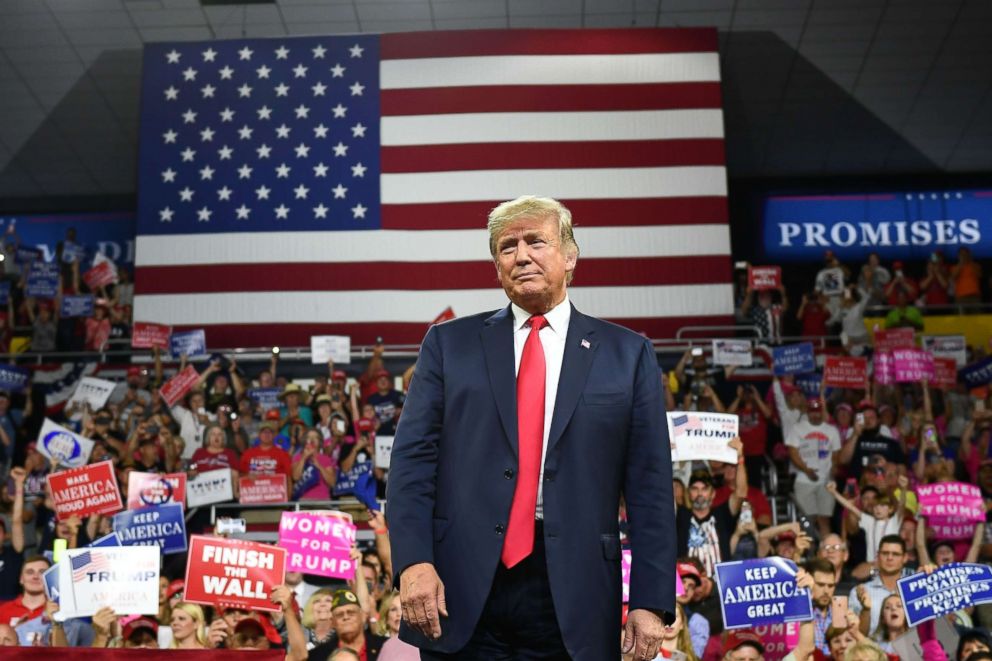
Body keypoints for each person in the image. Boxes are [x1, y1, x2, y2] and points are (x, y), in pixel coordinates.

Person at [386, 196, 675, 661]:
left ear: (570, 255)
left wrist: (650, 599)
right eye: (507, 247)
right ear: (496, 265)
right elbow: (411, 465)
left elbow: (651, 488)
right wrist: (413, 562)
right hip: (458, 589)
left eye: (536, 241)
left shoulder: (629, 354)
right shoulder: (448, 345)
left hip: (575, 592)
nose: (521, 255)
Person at [676, 441, 747, 576]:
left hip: (720, 586)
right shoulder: (680, 515)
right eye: (695, 489)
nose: (700, 494)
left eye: (704, 489)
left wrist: (740, 458)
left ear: (713, 493)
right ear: (688, 493)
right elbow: (662, 494)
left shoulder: (722, 514)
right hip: (688, 586)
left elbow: (741, 493)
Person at [786, 398, 841, 538]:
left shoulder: (832, 431)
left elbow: (836, 455)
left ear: (822, 412)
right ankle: (807, 551)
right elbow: (793, 452)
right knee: (807, 519)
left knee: (824, 519)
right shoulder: (797, 428)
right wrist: (806, 470)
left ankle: (826, 551)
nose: (815, 415)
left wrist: (833, 470)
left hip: (825, 481)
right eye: (812, 412)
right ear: (808, 412)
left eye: (818, 412)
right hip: (804, 479)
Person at [826, 479, 907, 563]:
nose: (878, 509)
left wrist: (904, 489)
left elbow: (902, 505)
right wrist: (834, 492)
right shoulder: (869, 521)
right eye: (875, 506)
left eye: (882, 506)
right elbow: (850, 507)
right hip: (871, 565)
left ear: (890, 509)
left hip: (891, 563)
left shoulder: (893, 522)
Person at [848, 535, 910, 634]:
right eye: (885, 553)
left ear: (905, 558)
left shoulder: (914, 590)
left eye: (895, 554)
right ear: (877, 556)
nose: (889, 558)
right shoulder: (859, 591)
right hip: (869, 648)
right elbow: (853, 633)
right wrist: (866, 609)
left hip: (909, 648)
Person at [305, 589, 386, 661]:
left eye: (351, 613)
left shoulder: (385, 646)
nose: (346, 617)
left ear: (363, 617)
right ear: (333, 622)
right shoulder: (318, 655)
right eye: (339, 615)